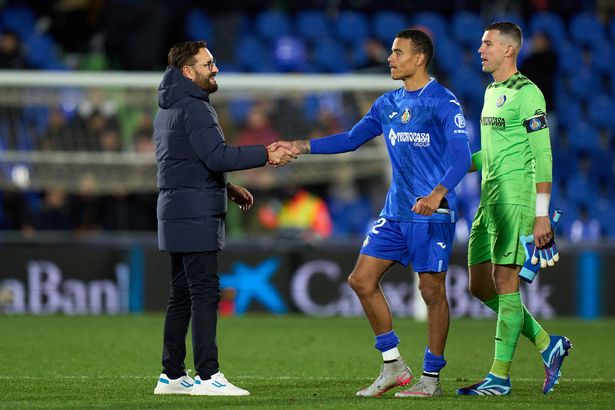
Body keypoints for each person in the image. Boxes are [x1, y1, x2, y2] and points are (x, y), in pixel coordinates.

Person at [274, 29, 471, 398]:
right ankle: (393, 365)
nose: (390, 58)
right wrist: (299, 146)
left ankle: (431, 379)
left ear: (419, 58)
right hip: (396, 211)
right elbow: (350, 138)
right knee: (361, 280)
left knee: (431, 292)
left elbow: (461, 156)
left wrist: (438, 194)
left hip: (431, 212)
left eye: (398, 53)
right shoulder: (387, 104)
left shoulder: (443, 102)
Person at [152, 40, 294, 397]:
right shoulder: (196, 107)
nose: (215, 69)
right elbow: (215, 156)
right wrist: (266, 153)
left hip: (175, 210)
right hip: (196, 213)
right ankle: (207, 375)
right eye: (208, 64)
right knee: (204, 293)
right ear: (188, 72)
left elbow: (186, 160)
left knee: (181, 294)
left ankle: (171, 376)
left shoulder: (167, 107)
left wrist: (228, 188)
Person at [456, 22, 572, 397]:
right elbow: (488, 154)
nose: (480, 49)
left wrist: (542, 214)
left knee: (505, 284)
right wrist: (448, 170)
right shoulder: (492, 92)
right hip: (488, 201)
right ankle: (546, 343)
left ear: (509, 49)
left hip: (516, 199)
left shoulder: (528, 93)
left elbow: (543, 154)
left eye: (487, 43)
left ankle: (499, 377)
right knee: (478, 285)